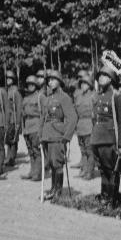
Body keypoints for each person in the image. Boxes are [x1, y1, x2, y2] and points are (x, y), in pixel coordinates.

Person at [90, 66, 121, 205]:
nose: (101, 78)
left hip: (110, 140)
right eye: (100, 75)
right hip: (98, 139)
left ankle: (112, 200)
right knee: (102, 170)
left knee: (111, 170)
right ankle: (104, 195)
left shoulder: (117, 97)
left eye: (105, 75)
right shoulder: (99, 96)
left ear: (111, 79)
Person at [39, 70, 78, 200]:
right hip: (47, 135)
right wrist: (41, 135)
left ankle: (58, 192)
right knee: (51, 163)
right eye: (48, 80)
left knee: (57, 163)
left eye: (53, 79)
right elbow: (43, 117)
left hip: (57, 135)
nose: (50, 82)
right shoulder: (48, 98)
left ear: (59, 81)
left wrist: (66, 137)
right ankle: (53, 189)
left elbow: (73, 118)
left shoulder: (64, 97)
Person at [20, 75, 43, 181]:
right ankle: (32, 171)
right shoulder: (25, 98)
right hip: (27, 125)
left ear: (36, 86)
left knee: (36, 150)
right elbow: (22, 112)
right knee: (30, 151)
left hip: (36, 124)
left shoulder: (39, 97)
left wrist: (41, 128)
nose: (30, 86)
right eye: (29, 84)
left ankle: (37, 173)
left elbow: (43, 113)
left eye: (32, 84)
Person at [74, 73, 96, 180]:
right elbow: (75, 112)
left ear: (90, 85)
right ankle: (84, 169)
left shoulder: (93, 96)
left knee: (89, 151)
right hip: (80, 126)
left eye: (85, 83)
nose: (83, 85)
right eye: (82, 83)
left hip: (89, 126)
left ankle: (90, 172)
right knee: (82, 151)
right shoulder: (78, 96)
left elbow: (96, 113)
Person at [5, 70, 23, 167]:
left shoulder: (15, 91)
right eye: (6, 78)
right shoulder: (6, 90)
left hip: (13, 118)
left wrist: (18, 121)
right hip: (7, 118)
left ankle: (12, 158)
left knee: (13, 139)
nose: (8, 80)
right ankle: (8, 157)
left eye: (10, 78)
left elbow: (19, 107)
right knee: (8, 139)